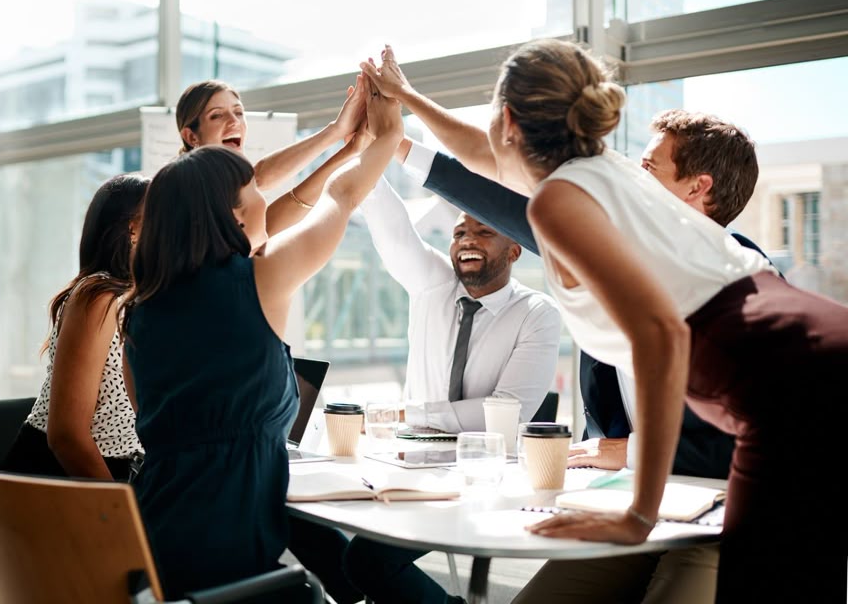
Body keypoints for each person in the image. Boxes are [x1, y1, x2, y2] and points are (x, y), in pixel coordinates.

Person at [363, 40, 848, 602]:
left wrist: (638, 514)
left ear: (510, 121)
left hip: (792, 391)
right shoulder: (609, 174)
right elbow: (483, 160)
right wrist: (406, 104)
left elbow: (661, 336)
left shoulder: (566, 201)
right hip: (806, 357)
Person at [123, 78, 403, 599]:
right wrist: (386, 131)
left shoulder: (140, 310)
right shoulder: (262, 277)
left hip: (148, 538)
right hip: (223, 552)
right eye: (254, 191)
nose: (262, 198)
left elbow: (152, 423)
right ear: (232, 212)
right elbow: (341, 196)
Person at [343, 176, 561, 604]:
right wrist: (366, 154)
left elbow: (507, 413)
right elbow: (394, 231)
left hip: (483, 479)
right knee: (313, 525)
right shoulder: (433, 287)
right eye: (460, 231)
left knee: (367, 561)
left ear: (515, 249)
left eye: (484, 231)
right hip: (406, 465)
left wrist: (414, 414)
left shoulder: (538, 313)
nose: (467, 240)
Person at [0, 174, 148, 481]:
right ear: (132, 228)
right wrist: (117, 513)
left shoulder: (139, 296)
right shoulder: (99, 297)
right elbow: (66, 437)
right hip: (63, 477)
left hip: (117, 471)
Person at [175, 78, 368, 235]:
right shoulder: (180, 191)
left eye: (239, 112)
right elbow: (257, 178)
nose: (234, 121)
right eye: (217, 115)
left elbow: (274, 218)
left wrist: (348, 148)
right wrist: (336, 131)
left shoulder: (237, 219)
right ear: (191, 136)